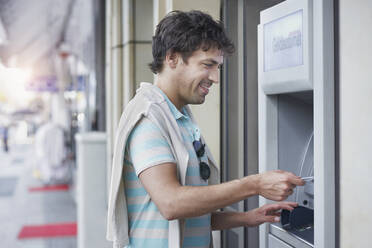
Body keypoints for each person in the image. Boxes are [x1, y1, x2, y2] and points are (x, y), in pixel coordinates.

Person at [107, 10, 305, 248]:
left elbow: (192, 213)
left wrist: (249, 218)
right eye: (207, 65)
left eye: (218, 67)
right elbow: (171, 203)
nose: (215, 78)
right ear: (172, 58)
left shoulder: (179, 117)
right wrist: (255, 184)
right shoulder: (149, 118)